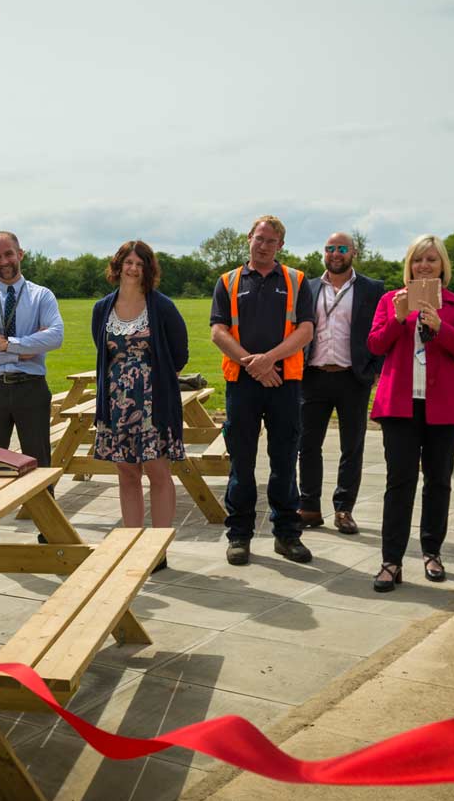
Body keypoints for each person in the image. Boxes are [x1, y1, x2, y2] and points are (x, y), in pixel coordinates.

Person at [367, 235, 454, 591]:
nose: (424, 266)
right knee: (399, 482)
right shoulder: (390, 301)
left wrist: (440, 326)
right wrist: (399, 319)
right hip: (399, 405)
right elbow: (375, 345)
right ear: (409, 265)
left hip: (444, 407)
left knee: (438, 481)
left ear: (443, 265)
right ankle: (391, 561)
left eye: (432, 259)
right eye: (418, 260)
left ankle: (432, 551)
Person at [210, 216, 316, 566]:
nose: (264, 245)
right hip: (242, 384)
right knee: (242, 463)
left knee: (284, 462)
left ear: (281, 245)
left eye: (272, 241)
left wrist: (268, 361)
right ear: (249, 239)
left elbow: (306, 331)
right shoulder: (228, 281)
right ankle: (239, 536)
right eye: (259, 239)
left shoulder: (297, 280)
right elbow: (218, 332)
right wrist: (251, 364)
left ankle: (286, 535)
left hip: (285, 383)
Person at [91, 241, 189, 565]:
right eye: (128, 262)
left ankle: (157, 550)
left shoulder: (161, 307)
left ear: (148, 269)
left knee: (158, 471)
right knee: (126, 473)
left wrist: (148, 379)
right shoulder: (102, 308)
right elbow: (102, 350)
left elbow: (180, 354)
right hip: (116, 403)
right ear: (117, 266)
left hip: (153, 403)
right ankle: (133, 544)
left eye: (140, 263)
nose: (133, 268)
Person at [0, 231, 65, 543]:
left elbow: (55, 337)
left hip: (30, 388)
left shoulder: (41, 296)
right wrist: (25, 348)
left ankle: (48, 529)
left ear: (21, 254)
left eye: (9, 254)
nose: (4, 261)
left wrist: (8, 344)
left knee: (38, 460)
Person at [297, 231, 385, 536]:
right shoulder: (306, 288)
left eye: (342, 248)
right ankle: (308, 506)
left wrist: (375, 370)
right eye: (330, 248)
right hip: (313, 376)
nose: (336, 253)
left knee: (352, 447)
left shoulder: (372, 289)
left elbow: (383, 331)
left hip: (353, 377)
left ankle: (344, 509)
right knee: (307, 445)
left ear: (354, 252)